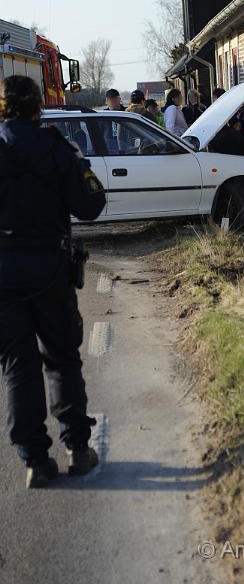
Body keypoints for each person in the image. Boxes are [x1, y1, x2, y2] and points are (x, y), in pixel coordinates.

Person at [0, 75, 106, 488]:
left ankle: (35, 462)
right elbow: (91, 206)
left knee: (17, 368)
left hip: (3, 281)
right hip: (49, 272)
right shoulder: (57, 149)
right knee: (61, 358)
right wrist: (81, 167)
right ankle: (78, 449)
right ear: (37, 107)